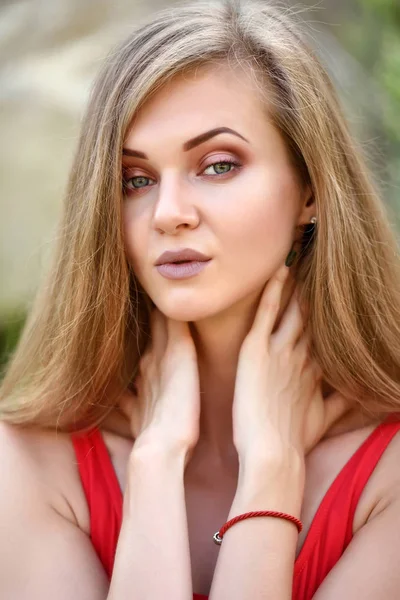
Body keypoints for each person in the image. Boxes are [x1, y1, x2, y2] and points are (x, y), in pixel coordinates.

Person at [1, 0, 400, 598]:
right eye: (135, 180)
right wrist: (156, 462)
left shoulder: (388, 475)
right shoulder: (29, 461)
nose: (168, 215)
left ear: (310, 192)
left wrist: (271, 467)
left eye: (216, 166)